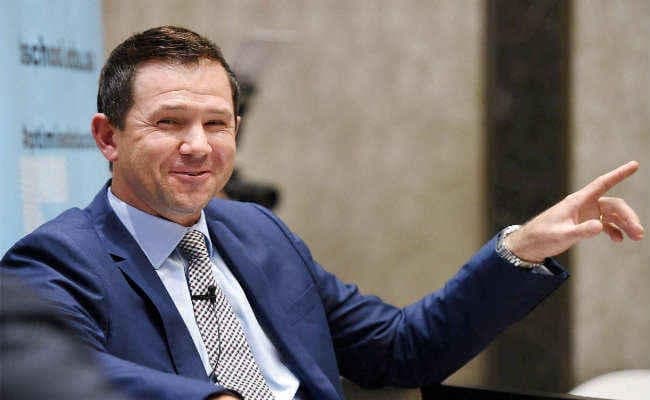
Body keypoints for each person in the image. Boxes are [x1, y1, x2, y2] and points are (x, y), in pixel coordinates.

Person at [0, 26, 643, 400]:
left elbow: (401, 350)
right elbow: (62, 377)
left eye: (216, 124)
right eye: (169, 123)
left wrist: (520, 250)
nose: (198, 146)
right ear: (108, 137)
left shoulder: (257, 232)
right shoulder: (59, 258)